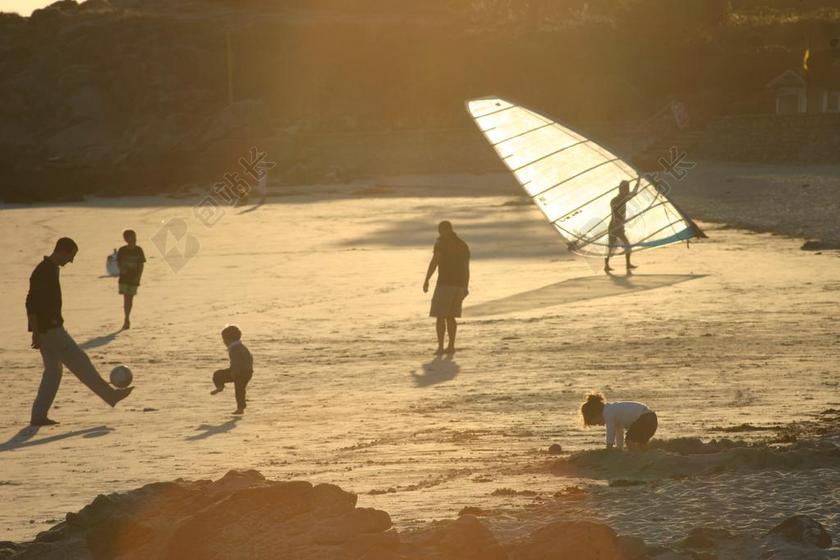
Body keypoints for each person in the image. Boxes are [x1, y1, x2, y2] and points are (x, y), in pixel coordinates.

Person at [26, 238, 134, 426]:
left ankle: (38, 415)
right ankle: (110, 395)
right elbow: (31, 303)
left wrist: (36, 332)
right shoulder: (45, 271)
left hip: (46, 330)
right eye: (71, 256)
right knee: (80, 362)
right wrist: (35, 331)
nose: (71, 261)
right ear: (62, 251)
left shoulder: (48, 269)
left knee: (53, 372)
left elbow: (31, 302)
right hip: (51, 330)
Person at [423, 221, 470, 355]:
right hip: (459, 285)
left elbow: (435, 261)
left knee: (440, 316)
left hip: (444, 284)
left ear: (442, 230)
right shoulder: (463, 244)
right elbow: (466, 268)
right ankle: (451, 346)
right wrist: (465, 286)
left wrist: (427, 279)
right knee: (451, 317)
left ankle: (440, 347)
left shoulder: (441, 243)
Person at [580, 392, 658, 450]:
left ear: (597, 413)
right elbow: (619, 433)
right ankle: (647, 456)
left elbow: (611, 430)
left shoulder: (608, 411)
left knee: (629, 441)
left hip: (645, 418)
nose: (600, 425)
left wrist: (609, 447)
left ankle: (636, 459)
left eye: (597, 422)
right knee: (640, 443)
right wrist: (619, 448)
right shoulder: (613, 413)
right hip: (652, 418)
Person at [210, 325, 253, 415]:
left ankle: (220, 387)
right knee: (240, 389)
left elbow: (236, 362)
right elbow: (249, 358)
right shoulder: (241, 346)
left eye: (224, 340)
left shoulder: (235, 348)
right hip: (247, 372)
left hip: (240, 372)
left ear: (229, 340)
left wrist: (234, 372)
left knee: (220, 376)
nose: (224, 342)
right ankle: (240, 407)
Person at [605, 176, 642, 274]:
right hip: (614, 226)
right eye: (625, 188)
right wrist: (618, 221)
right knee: (620, 246)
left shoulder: (624, 197)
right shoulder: (615, 200)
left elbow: (634, 192)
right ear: (621, 189)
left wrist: (639, 180)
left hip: (619, 226)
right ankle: (624, 264)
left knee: (615, 246)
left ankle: (610, 265)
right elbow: (615, 212)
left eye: (627, 188)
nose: (627, 190)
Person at [116, 229, 146, 330]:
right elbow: (118, 262)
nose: (134, 239)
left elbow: (141, 265)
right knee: (126, 298)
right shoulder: (122, 250)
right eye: (131, 237)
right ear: (126, 239)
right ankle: (126, 319)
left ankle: (127, 318)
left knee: (130, 298)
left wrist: (138, 277)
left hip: (134, 278)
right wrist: (121, 269)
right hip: (124, 278)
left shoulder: (139, 250)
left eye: (134, 236)